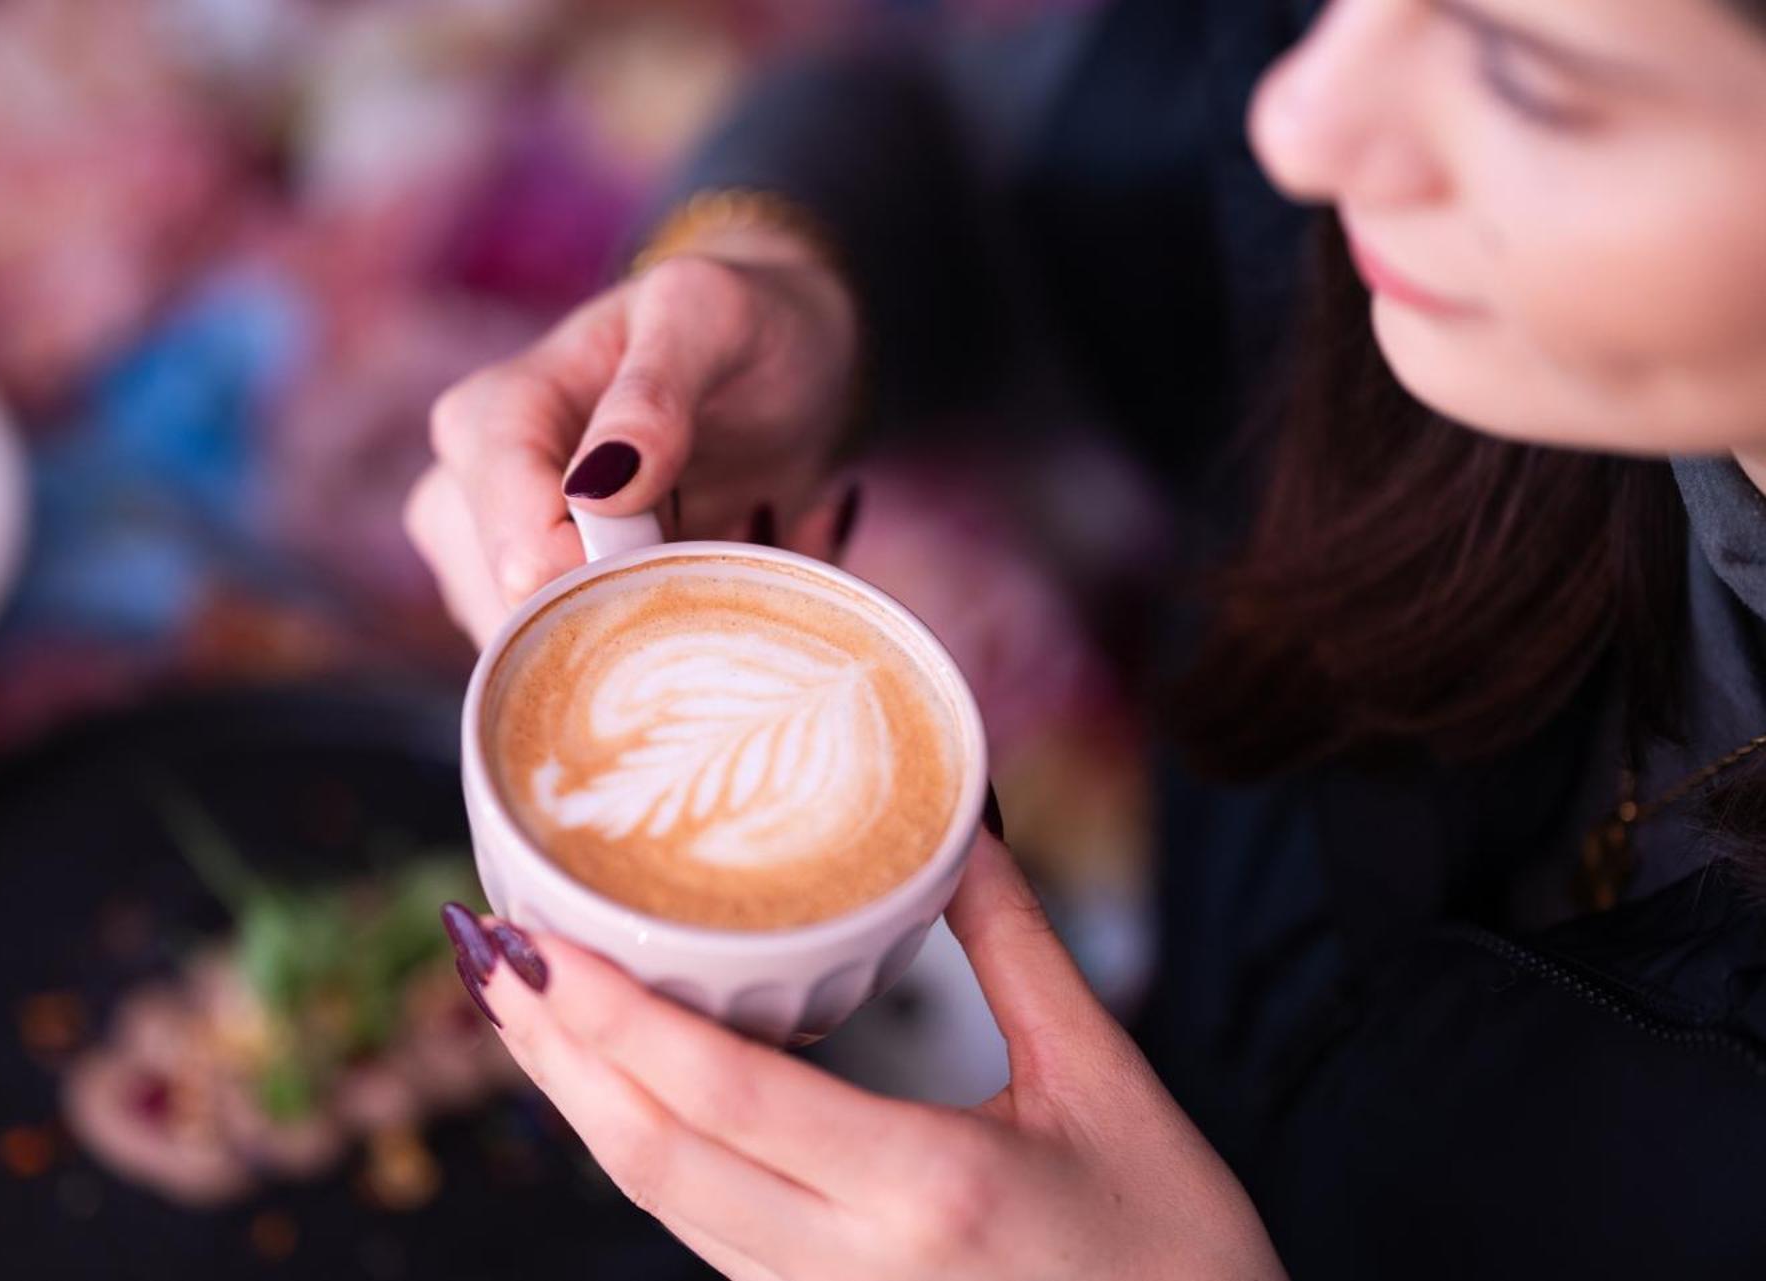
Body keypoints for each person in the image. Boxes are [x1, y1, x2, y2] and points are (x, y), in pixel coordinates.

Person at [414, 0, 1766, 1275]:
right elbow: (949, 138)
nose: (1300, 116)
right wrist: (786, 283)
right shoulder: (1342, 93)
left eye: (1525, 75)